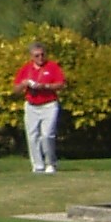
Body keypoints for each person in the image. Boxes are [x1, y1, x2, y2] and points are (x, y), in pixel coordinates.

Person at [13, 40, 67, 175]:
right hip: (32, 105)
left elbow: (61, 84)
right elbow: (15, 89)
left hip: (49, 104)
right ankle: (38, 165)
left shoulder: (52, 67)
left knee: (47, 134)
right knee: (32, 136)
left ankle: (50, 163)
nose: (40, 58)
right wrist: (24, 84)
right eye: (36, 56)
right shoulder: (26, 69)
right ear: (31, 57)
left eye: (42, 55)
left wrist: (45, 86)